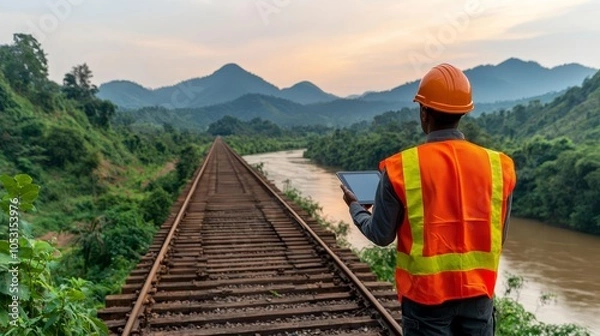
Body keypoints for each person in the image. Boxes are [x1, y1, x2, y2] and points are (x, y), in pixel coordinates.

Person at [340, 63, 516, 336]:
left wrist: (356, 208)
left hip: (426, 300)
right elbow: (498, 237)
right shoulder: (499, 166)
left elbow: (381, 234)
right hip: (479, 297)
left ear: (424, 112)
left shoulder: (401, 167)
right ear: (464, 112)